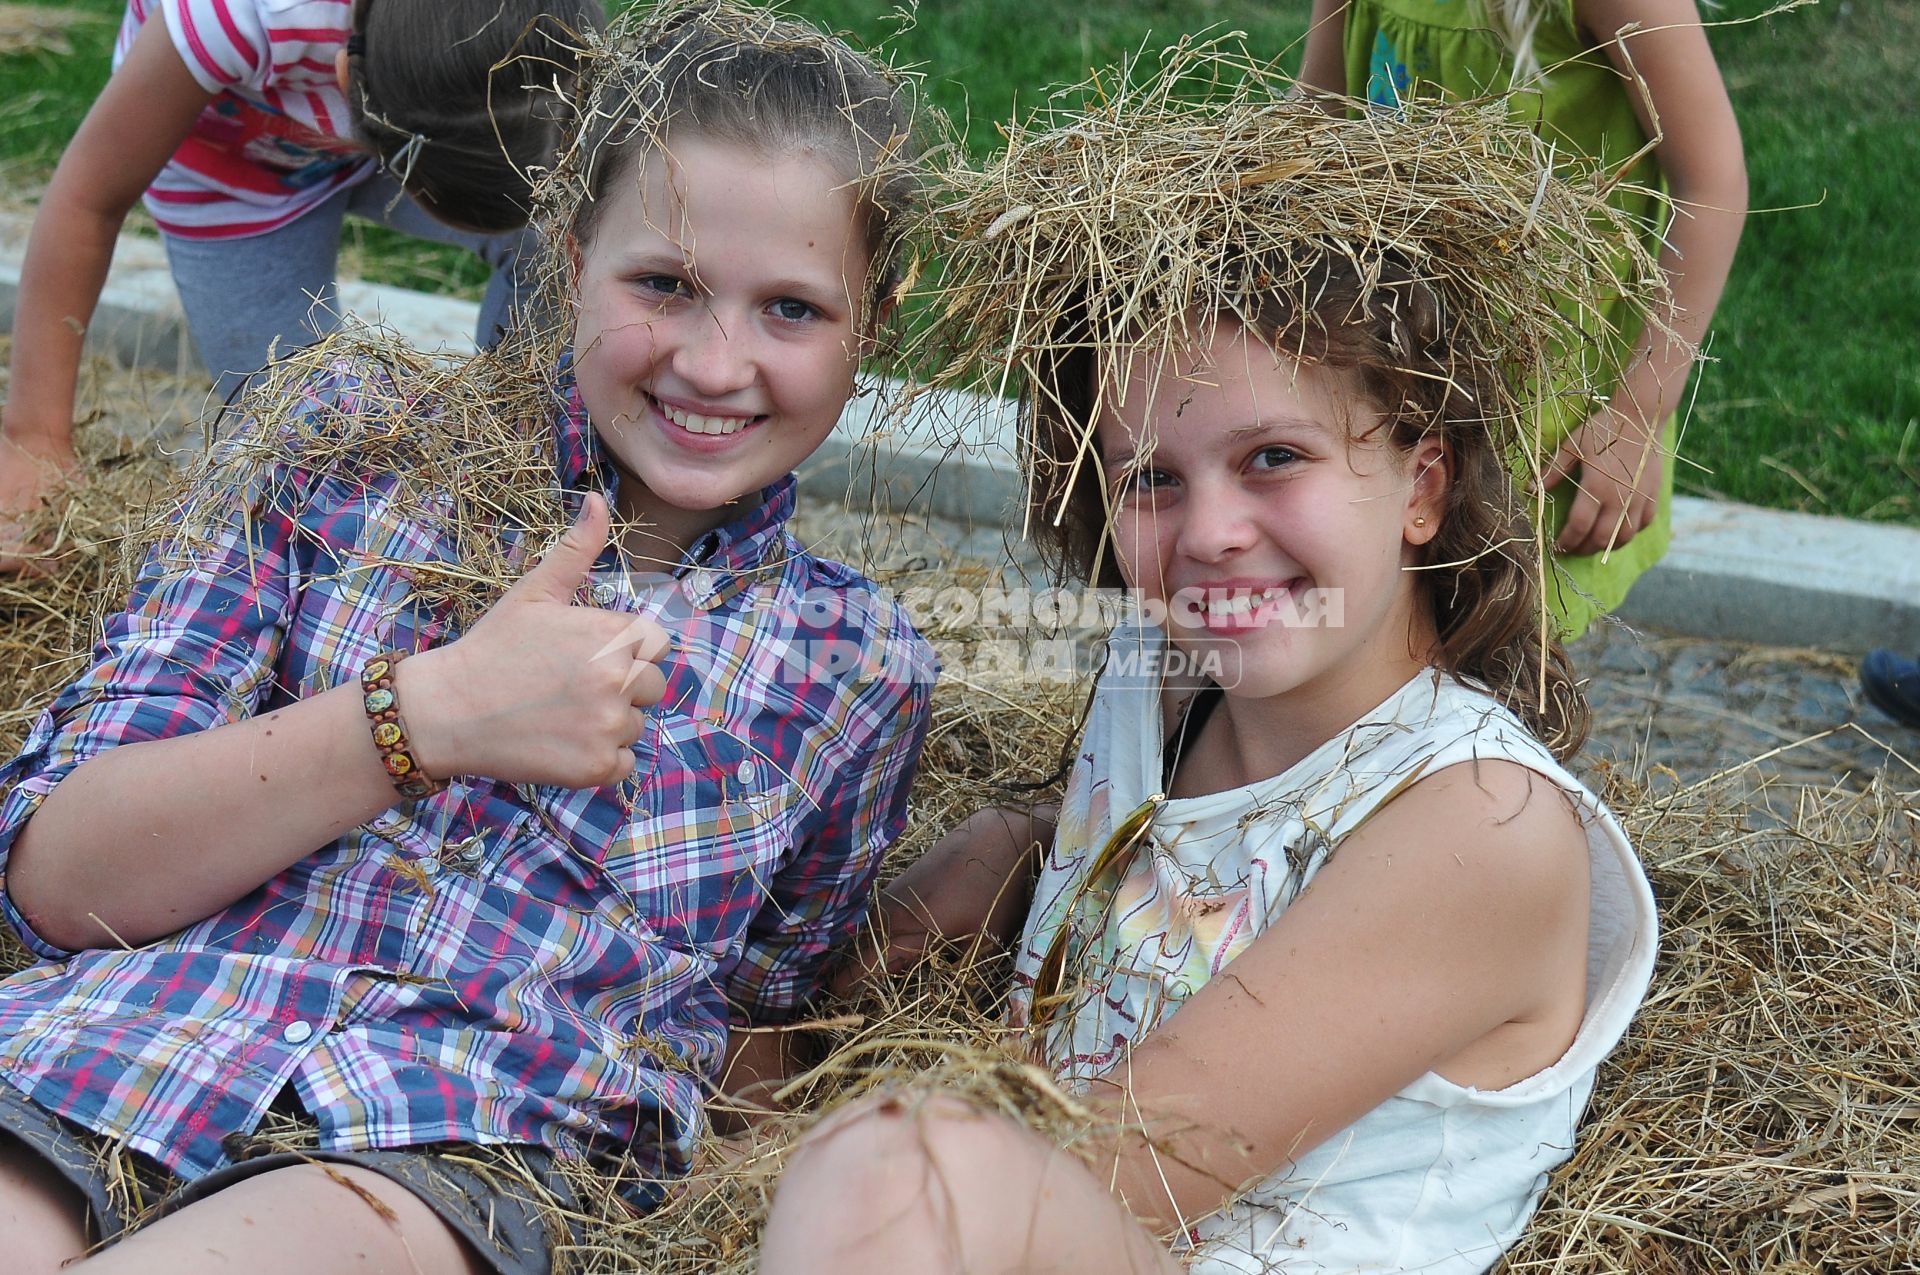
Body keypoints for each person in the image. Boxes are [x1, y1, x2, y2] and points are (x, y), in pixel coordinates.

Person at [0, 4, 933, 1271]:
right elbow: (59, 884)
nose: (717, 365)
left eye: (793, 310)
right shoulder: (339, 441)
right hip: (109, 1046)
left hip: (452, 1153)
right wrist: (421, 717)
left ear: (875, 315)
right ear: (564, 249)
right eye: (664, 285)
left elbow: (754, 1023)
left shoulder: (852, 665)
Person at [756, 59, 1659, 1275]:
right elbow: (1170, 863)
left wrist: (761, 1129)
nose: (1210, 532)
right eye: (1152, 480)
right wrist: (1017, 844)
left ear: (1424, 486)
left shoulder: (1481, 829)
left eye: (1275, 456)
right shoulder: (1168, 673)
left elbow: (1095, 1163)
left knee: (891, 1170)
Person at [0, 0, 607, 574]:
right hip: (233, 172)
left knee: (559, 236)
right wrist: (36, 438)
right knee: (294, 446)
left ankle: (529, 455)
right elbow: (87, 199)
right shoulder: (240, 14)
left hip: (417, 124)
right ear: (350, 83)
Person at [1300, 0, 1747, 639]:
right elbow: (1313, 125)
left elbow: (1713, 181)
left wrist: (1636, 412)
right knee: (1380, 629)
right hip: (1387, 361)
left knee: (1500, 653)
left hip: (1543, 407)